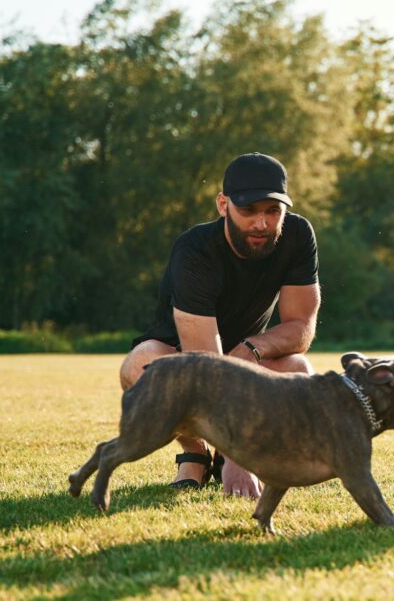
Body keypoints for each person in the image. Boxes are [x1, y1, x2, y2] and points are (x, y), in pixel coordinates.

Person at [120, 152, 320, 499]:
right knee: (138, 366)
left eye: (273, 211)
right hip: (185, 361)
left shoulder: (298, 235)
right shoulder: (195, 250)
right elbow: (209, 370)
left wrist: (250, 350)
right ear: (223, 204)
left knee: (300, 372)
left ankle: (249, 454)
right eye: (249, 211)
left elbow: (300, 328)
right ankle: (196, 452)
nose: (261, 223)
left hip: (248, 359)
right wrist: (236, 456)